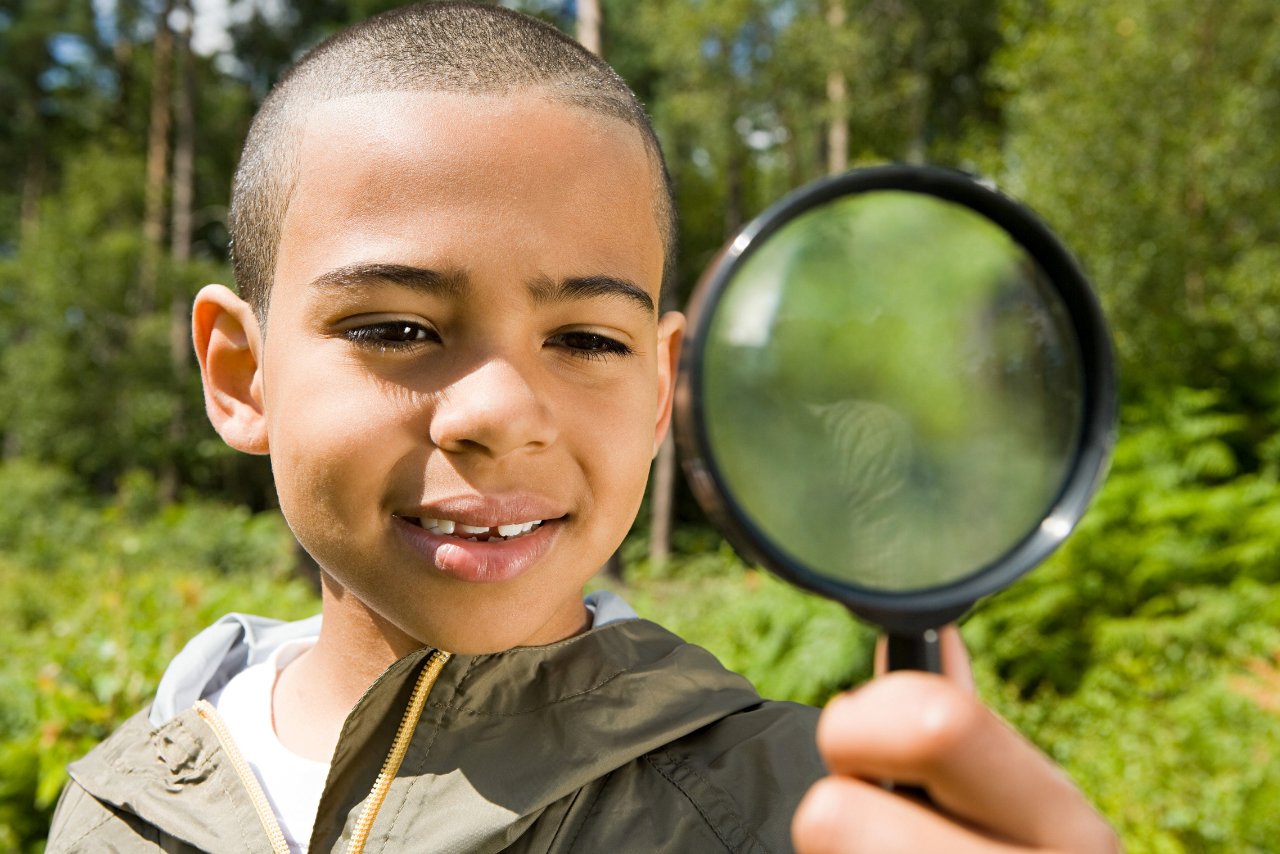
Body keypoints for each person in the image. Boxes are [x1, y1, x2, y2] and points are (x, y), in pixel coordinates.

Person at [45, 3, 1118, 852]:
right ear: (242, 375)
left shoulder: (809, 810)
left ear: (661, 389)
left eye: (588, 341)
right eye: (398, 325)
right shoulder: (115, 807)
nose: (501, 414)